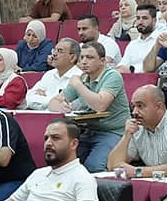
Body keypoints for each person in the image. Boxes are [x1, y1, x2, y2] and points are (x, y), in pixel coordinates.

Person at [49, 42, 131, 171]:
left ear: (102, 61)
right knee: (65, 164)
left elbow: (100, 105)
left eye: (90, 57)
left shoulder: (112, 76)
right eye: (82, 57)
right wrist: (61, 107)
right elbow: (53, 102)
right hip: (89, 131)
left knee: (94, 167)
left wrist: (77, 85)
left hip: (114, 132)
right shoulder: (82, 78)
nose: (84, 61)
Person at [106, 85, 167, 178]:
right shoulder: (137, 129)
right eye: (133, 107)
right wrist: (127, 135)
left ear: (159, 107)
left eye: (140, 106)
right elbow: (113, 166)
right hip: (152, 182)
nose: (134, 112)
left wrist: (138, 172)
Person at [25, 38, 82, 110]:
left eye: (60, 51)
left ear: (72, 57)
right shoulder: (49, 74)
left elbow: (69, 106)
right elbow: (28, 98)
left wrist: (43, 100)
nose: (54, 54)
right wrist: (53, 103)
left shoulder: (80, 77)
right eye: (54, 50)